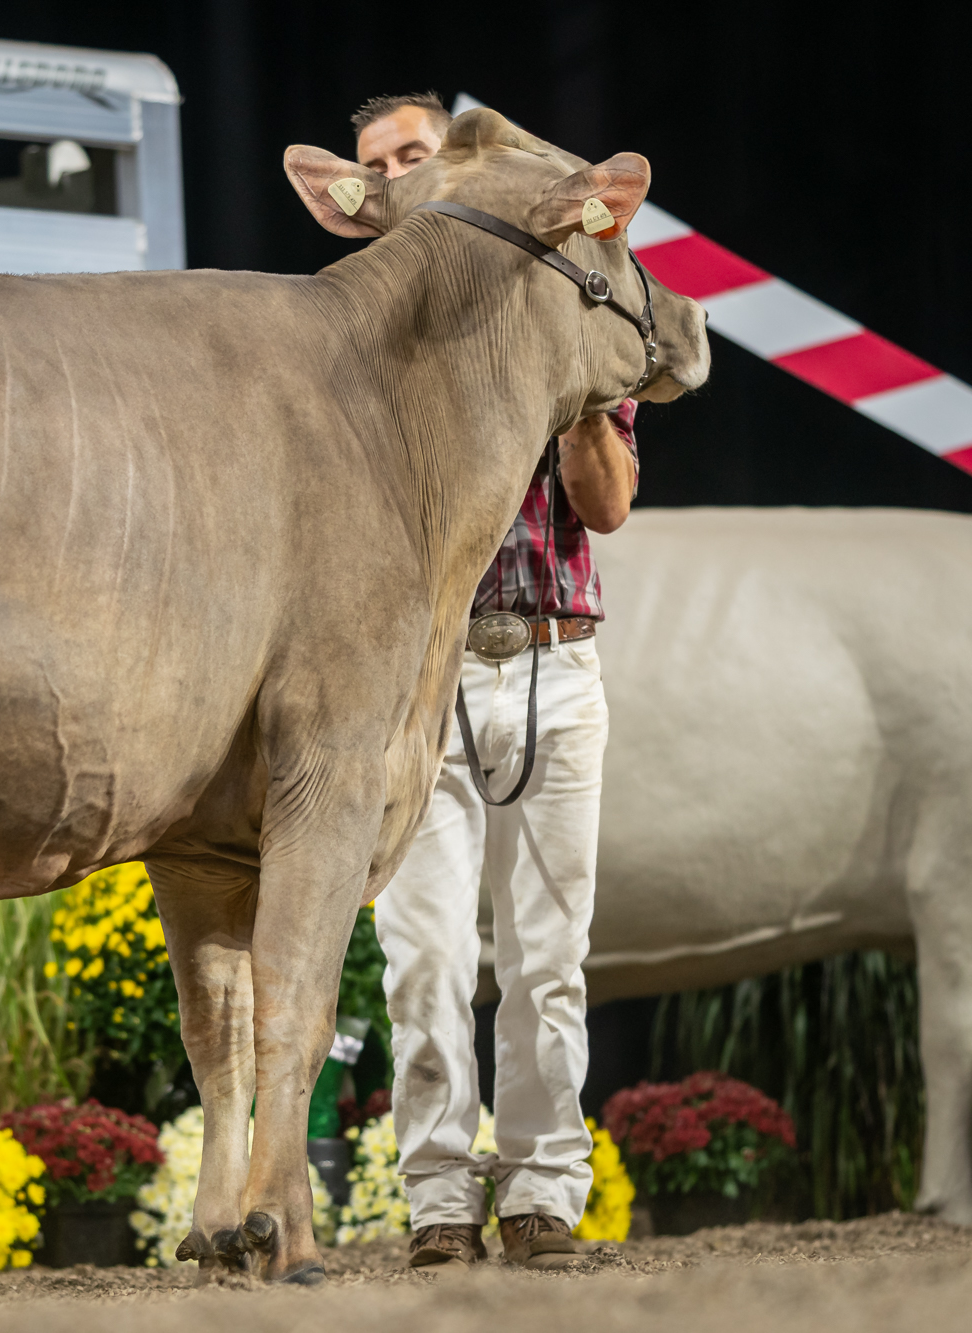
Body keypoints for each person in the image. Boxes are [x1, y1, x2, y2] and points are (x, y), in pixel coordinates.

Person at [353, 92, 640, 1274]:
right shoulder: (358, 334)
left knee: (545, 956)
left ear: (462, 167)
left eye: (412, 153)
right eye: (377, 168)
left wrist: (574, 398)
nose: (395, 176)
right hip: (414, 679)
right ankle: (435, 1199)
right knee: (421, 955)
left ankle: (539, 1195)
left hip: (552, 661)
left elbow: (605, 507)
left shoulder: (558, 292)